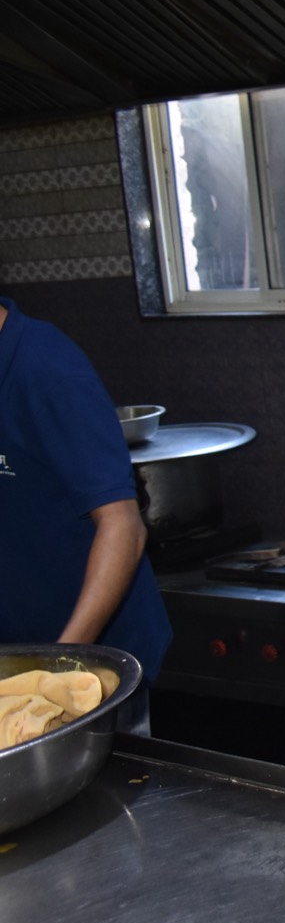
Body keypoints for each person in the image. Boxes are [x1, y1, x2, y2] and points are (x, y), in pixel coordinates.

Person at [0, 297, 171, 727]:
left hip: (94, 672)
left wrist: (59, 669)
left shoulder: (47, 370)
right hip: (15, 656)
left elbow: (123, 526)